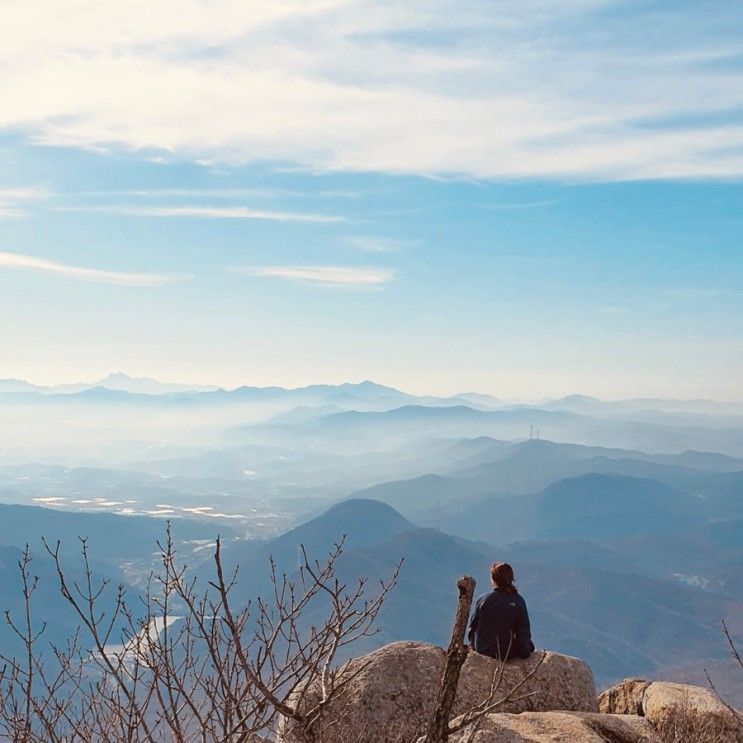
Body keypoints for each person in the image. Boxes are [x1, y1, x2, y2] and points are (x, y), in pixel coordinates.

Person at [467, 562, 534, 660]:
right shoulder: (518, 601)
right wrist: (525, 651)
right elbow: (523, 631)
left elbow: (472, 627)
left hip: (482, 649)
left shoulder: (483, 599)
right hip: (504, 653)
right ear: (511, 578)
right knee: (530, 645)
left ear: (493, 579)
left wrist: (474, 646)